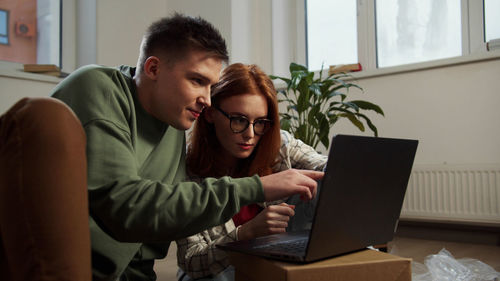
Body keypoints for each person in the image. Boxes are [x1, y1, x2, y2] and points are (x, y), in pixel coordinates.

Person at [49, 14, 323, 280]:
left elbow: (141, 250)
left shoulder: (172, 128)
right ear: (153, 68)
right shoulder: (97, 88)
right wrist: (258, 189)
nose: (207, 100)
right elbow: (126, 207)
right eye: (197, 81)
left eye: (211, 86)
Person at [176, 63, 328, 281]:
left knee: (322, 180)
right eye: (239, 120)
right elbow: (192, 261)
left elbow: (320, 164)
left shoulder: (278, 143)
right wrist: (246, 233)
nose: (250, 134)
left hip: (270, 259)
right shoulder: (185, 170)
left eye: (260, 123)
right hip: (217, 270)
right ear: (209, 113)